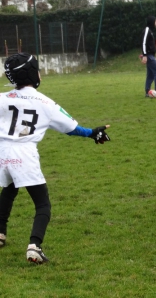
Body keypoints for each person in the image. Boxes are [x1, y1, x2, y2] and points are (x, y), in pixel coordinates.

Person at [0, 53, 111, 264]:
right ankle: (34, 246)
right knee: (43, 204)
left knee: (9, 190)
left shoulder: (3, 98)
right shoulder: (45, 102)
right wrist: (92, 133)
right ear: (32, 74)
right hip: (25, 153)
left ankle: (0, 233)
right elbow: (71, 128)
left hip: (2, 153)